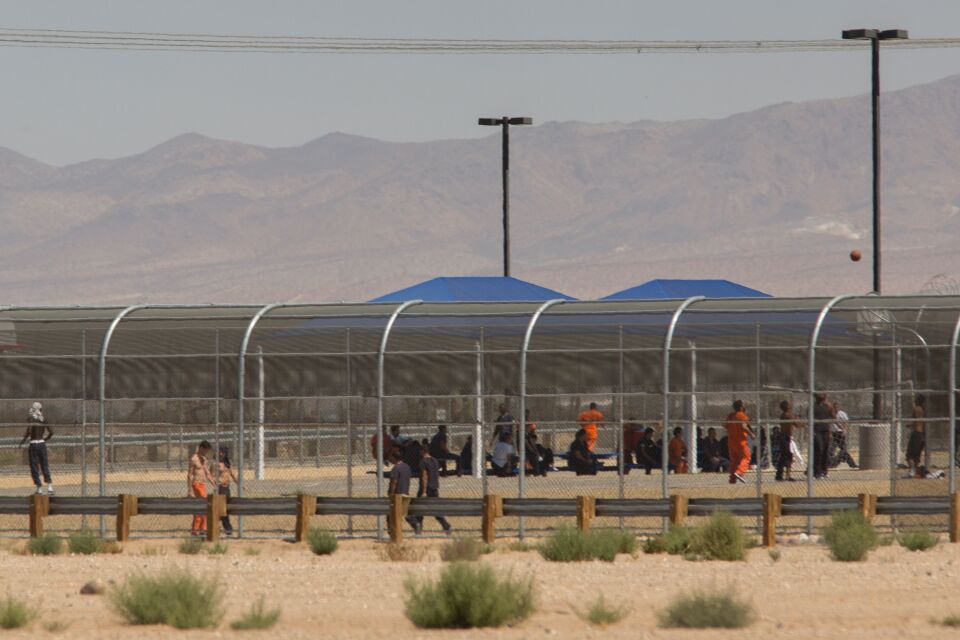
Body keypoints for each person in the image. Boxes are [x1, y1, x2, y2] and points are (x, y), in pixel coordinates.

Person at [413, 445, 453, 535]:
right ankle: (446, 526)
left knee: (418, 509)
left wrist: (423, 491)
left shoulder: (423, 462)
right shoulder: (435, 460)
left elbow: (424, 476)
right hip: (434, 488)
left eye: (420, 451)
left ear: (423, 451)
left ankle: (418, 529)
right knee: (435, 509)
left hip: (426, 488)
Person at [19, 402, 53, 495]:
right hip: (42, 443)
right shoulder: (43, 419)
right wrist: (44, 440)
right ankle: (50, 486)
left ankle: (39, 488)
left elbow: (28, 432)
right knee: (44, 464)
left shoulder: (31, 419)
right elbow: (51, 432)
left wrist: (22, 442)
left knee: (34, 466)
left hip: (34, 444)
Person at [387, 452, 420, 533]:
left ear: (394, 458)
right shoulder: (407, 467)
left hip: (397, 494)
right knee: (406, 513)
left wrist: (391, 493)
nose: (390, 459)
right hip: (405, 492)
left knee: (391, 514)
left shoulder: (396, 468)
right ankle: (415, 525)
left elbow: (394, 482)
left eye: (391, 457)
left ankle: (392, 531)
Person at [188, 440, 215, 536]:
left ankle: (198, 530)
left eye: (207, 451)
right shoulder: (194, 459)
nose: (206, 453)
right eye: (205, 451)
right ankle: (201, 530)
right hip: (196, 484)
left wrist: (214, 483)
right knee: (204, 506)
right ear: (201, 448)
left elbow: (207, 473)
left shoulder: (204, 459)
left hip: (202, 485)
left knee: (200, 509)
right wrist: (190, 490)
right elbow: (190, 475)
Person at [725, 400, 753, 484]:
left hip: (731, 442)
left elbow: (725, 425)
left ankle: (732, 479)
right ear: (741, 407)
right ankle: (740, 472)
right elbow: (744, 426)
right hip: (741, 441)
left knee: (734, 461)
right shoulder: (742, 416)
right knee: (746, 457)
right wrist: (751, 434)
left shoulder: (730, 416)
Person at [216, 445, 238, 535]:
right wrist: (215, 482)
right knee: (222, 509)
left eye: (222, 453)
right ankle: (227, 528)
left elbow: (233, 475)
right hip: (220, 488)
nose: (221, 454)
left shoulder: (228, 464)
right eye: (220, 452)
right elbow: (211, 475)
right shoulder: (216, 464)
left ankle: (224, 525)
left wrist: (240, 484)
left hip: (227, 488)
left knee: (227, 509)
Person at [775, 400, 799, 482]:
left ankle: (780, 475)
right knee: (787, 456)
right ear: (787, 407)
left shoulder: (785, 415)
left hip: (786, 437)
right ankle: (785, 475)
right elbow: (797, 424)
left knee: (784, 456)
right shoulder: (787, 415)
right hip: (785, 438)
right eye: (789, 405)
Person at [830, 402, 858, 469]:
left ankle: (851, 464)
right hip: (833, 433)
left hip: (840, 433)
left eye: (837, 407)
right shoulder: (831, 413)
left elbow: (845, 423)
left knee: (843, 449)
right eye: (834, 407)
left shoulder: (842, 414)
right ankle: (831, 463)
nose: (836, 408)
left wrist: (844, 430)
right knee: (831, 449)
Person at [812, 394, 834, 479]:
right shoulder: (813, 406)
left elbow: (833, 416)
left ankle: (824, 471)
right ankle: (816, 472)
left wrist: (831, 407)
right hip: (817, 430)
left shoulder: (827, 406)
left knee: (825, 450)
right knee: (819, 449)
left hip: (825, 430)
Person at [906, 394, 926, 478]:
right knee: (917, 455)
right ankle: (916, 471)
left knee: (909, 455)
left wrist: (909, 425)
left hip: (916, 434)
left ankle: (912, 471)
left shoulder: (917, 409)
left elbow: (915, 421)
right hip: (923, 434)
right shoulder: (924, 410)